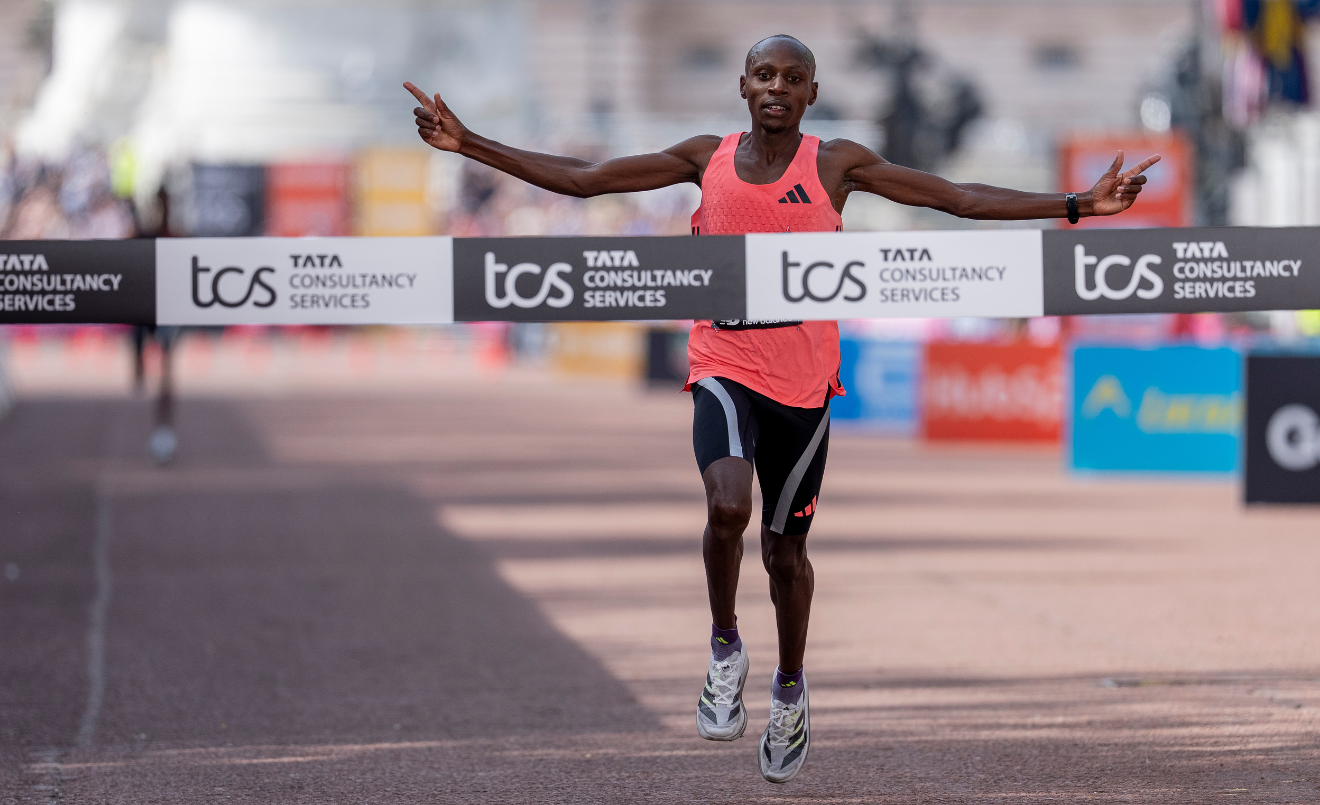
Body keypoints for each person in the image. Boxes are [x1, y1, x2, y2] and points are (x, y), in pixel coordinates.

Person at [406, 34, 1156, 784]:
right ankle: (725, 646)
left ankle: (790, 688)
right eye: (764, 74)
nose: (777, 87)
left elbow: (955, 197)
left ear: (810, 95)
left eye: (792, 78)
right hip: (724, 363)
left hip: (803, 385)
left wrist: (1077, 205)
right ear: (742, 85)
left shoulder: (837, 164)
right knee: (726, 504)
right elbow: (589, 179)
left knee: (785, 556)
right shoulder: (706, 157)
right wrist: (470, 143)